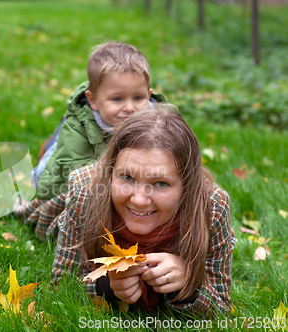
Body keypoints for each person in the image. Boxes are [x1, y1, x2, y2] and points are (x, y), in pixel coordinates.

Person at [52, 106, 236, 316]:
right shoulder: (86, 191)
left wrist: (189, 286)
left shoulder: (211, 207)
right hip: (57, 208)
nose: (139, 200)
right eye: (127, 177)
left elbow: (220, 306)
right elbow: (61, 284)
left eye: (160, 183)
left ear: (187, 187)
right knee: (36, 208)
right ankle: (61, 133)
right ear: (111, 172)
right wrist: (106, 288)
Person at [15, 41, 165, 240]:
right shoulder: (77, 129)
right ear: (93, 100)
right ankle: (50, 146)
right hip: (65, 167)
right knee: (40, 174)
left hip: (110, 171)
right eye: (117, 99)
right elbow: (72, 169)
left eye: (138, 98)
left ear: (149, 95)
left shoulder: (160, 121)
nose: (129, 108)